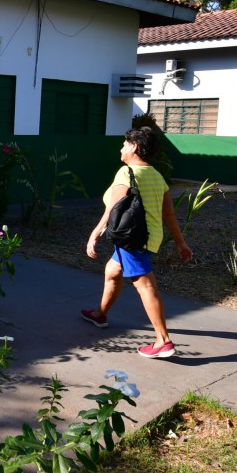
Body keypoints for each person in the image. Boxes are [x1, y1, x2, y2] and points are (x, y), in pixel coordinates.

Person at [81, 127, 193, 358]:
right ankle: (100, 315)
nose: (121, 149)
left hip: (132, 238)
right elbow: (169, 214)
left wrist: (95, 234)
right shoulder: (157, 175)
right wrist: (180, 242)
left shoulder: (126, 173)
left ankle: (163, 341)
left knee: (145, 285)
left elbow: (113, 208)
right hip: (149, 237)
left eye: (124, 144)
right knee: (113, 271)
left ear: (134, 146)